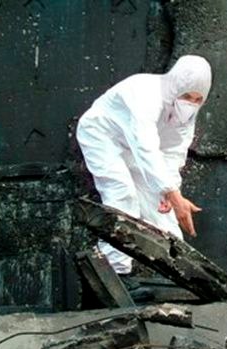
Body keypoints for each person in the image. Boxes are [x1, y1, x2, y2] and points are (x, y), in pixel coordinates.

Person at [76, 55, 212, 275]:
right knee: (122, 195)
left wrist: (169, 192)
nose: (191, 104)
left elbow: (173, 153)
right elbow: (145, 144)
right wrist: (171, 193)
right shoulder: (145, 93)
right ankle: (114, 273)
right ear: (176, 86)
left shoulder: (185, 116)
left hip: (137, 151)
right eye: (187, 96)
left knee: (164, 217)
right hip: (103, 137)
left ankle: (176, 277)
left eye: (198, 100)